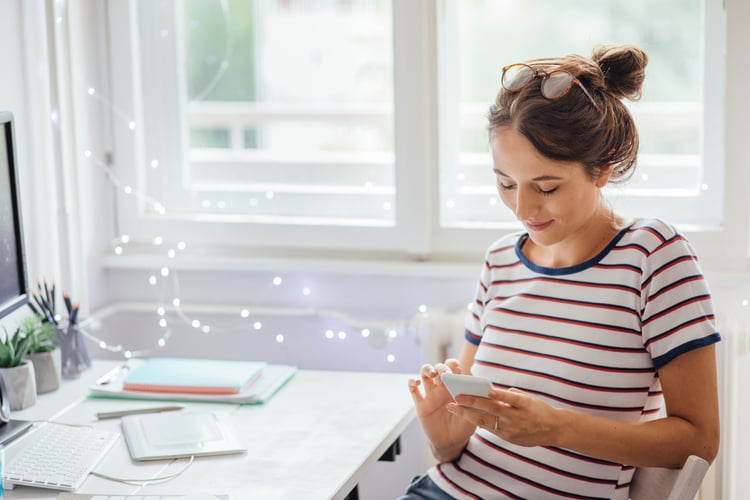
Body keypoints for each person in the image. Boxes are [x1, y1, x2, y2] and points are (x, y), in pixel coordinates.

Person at [402, 44, 721, 500]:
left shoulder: (652, 255)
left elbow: (699, 441)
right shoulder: (499, 260)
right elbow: (461, 440)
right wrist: (443, 431)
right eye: (505, 183)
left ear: (603, 167)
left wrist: (556, 427)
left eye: (546, 186)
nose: (522, 208)